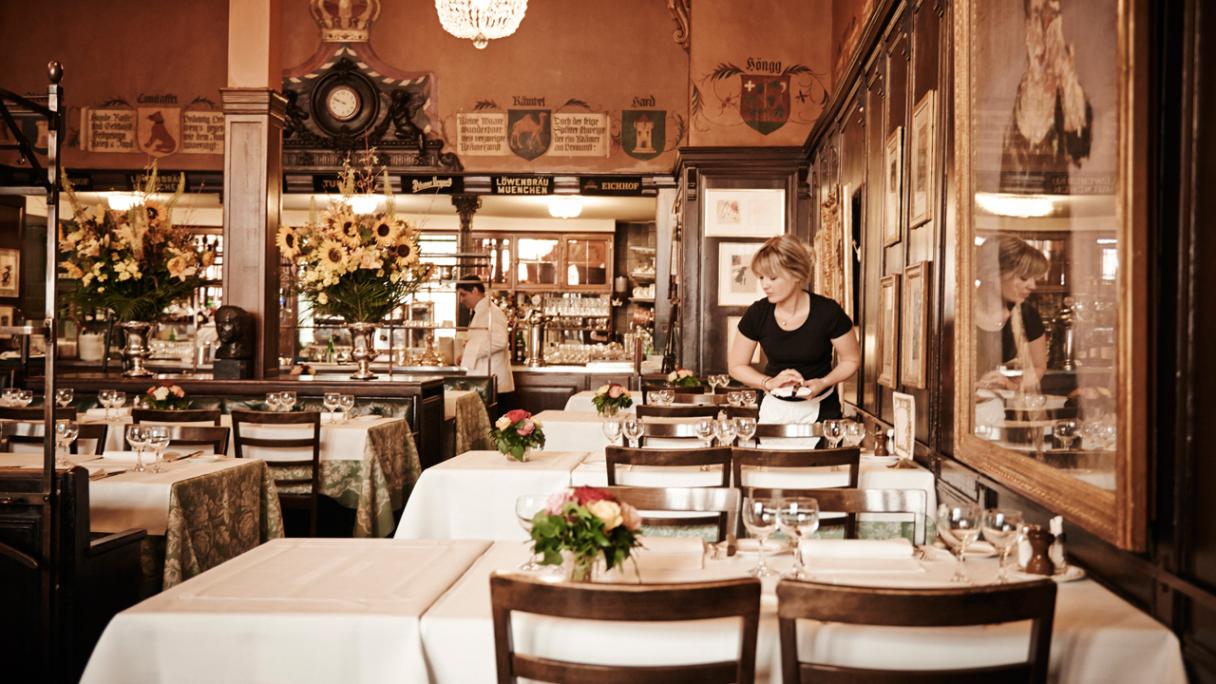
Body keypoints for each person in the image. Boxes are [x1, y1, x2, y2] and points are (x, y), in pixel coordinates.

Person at [728, 234, 860, 424]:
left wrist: (823, 382)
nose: (765, 285)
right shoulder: (757, 313)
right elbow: (736, 366)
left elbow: (851, 360)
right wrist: (769, 382)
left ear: (796, 274)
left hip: (822, 411)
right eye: (761, 277)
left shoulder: (828, 312)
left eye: (773, 277)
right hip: (773, 408)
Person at [974, 235, 1050, 390]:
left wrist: (1011, 385)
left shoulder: (1028, 315)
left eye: (1034, 279)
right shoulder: (957, 311)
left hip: (998, 408)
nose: (1033, 286)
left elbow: (1038, 367)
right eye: (1024, 278)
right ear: (992, 273)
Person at [456, 275, 515, 398]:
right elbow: (483, 340)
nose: (461, 300)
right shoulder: (480, 311)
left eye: (463, 295)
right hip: (484, 382)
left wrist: (470, 351)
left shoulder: (492, 312)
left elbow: (500, 341)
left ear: (475, 291)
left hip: (494, 383)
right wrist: (466, 353)